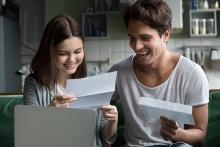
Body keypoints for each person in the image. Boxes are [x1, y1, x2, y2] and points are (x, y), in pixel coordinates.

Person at [109, 0, 209, 147]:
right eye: (132, 38)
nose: (136, 46)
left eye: (145, 38)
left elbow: (199, 136)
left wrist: (178, 134)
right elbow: (97, 113)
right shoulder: (120, 71)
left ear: (166, 35)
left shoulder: (192, 74)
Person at [23, 14, 117, 147]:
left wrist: (112, 121)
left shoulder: (94, 79)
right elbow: (30, 134)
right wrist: (50, 112)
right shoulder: (33, 83)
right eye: (63, 53)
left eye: (78, 51)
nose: (72, 59)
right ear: (49, 52)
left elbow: (104, 137)